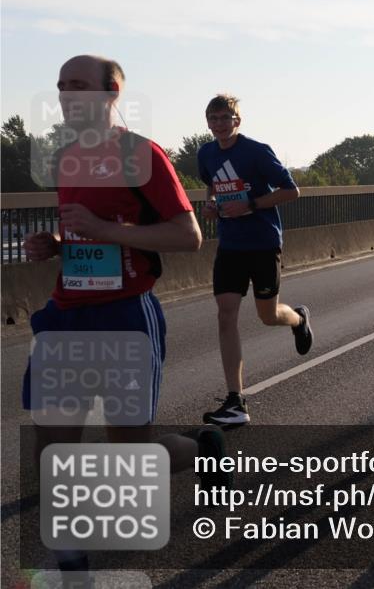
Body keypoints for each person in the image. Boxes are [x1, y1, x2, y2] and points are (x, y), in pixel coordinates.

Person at [22, 55, 230, 578]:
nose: (66, 96)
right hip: (66, 315)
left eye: (78, 85)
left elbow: (188, 236)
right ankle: (71, 563)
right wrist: (56, 243)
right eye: (61, 86)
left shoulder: (142, 155)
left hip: (124, 316)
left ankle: (201, 450)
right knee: (52, 443)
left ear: (111, 92)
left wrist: (105, 231)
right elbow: (86, 231)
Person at [198, 94, 313, 426]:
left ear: (237, 121)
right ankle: (235, 400)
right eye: (213, 118)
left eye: (225, 118)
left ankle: (298, 319)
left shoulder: (257, 151)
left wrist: (250, 205)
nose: (219, 124)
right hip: (230, 246)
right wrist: (211, 206)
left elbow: (291, 191)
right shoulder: (206, 153)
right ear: (208, 123)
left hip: (263, 243)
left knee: (268, 315)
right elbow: (212, 187)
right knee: (225, 315)